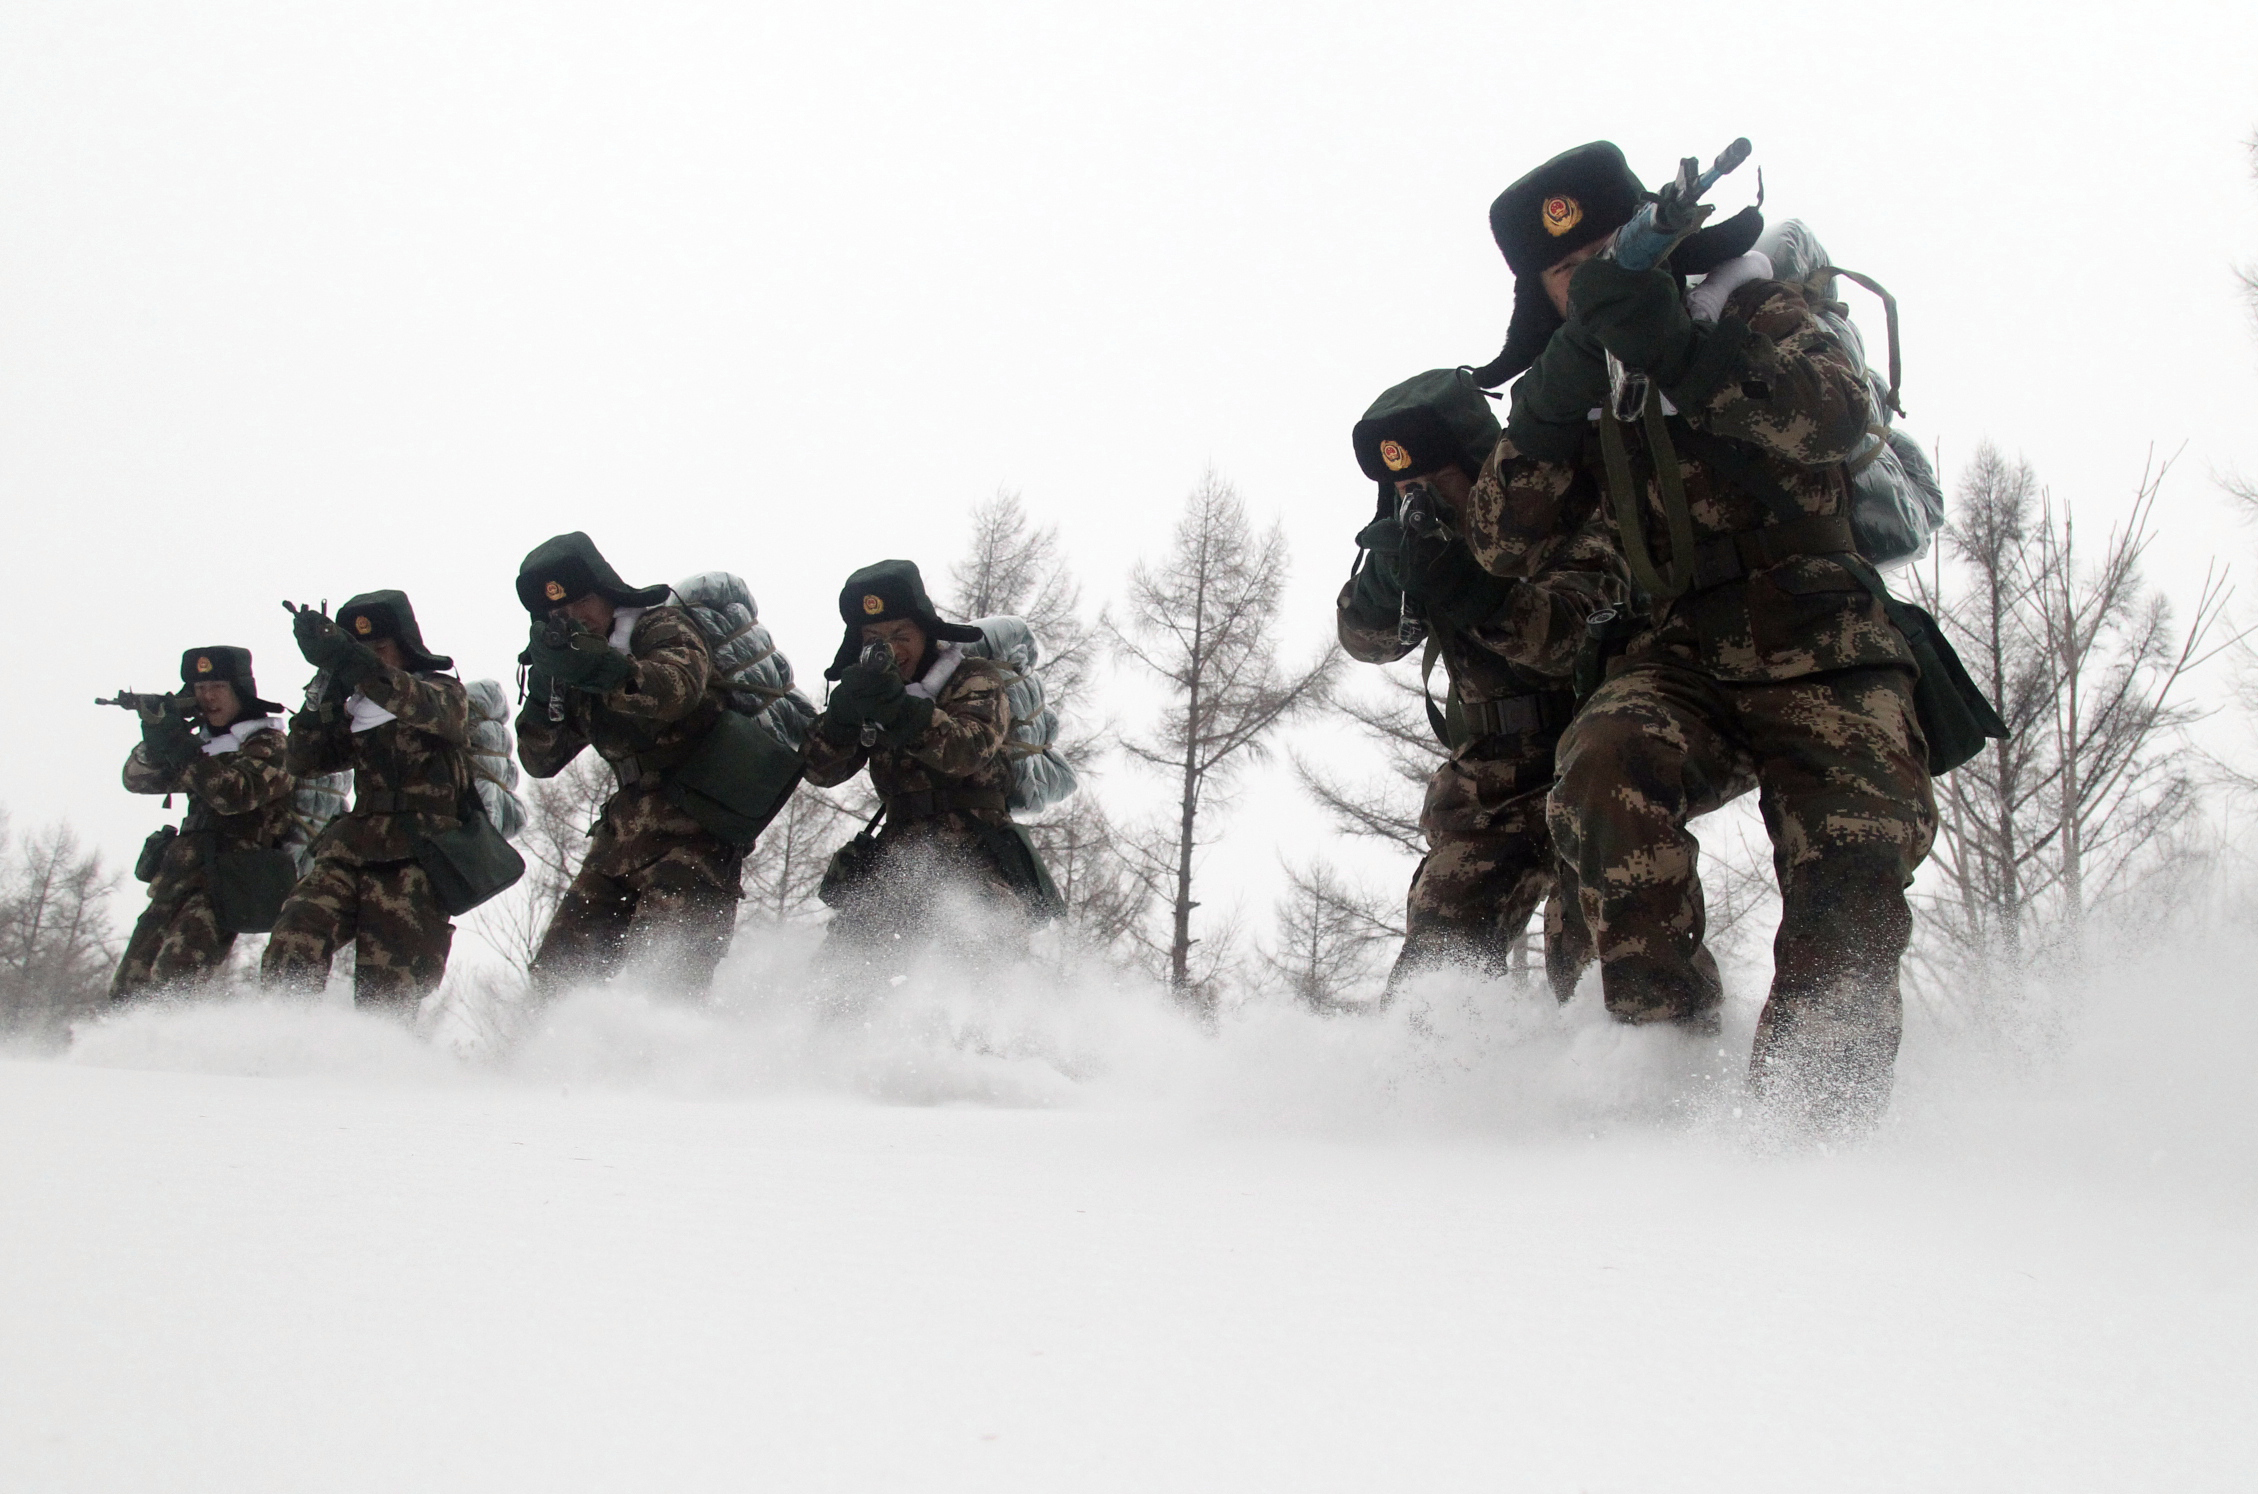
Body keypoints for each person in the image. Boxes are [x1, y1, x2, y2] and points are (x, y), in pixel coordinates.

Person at [1465, 141, 1936, 1129]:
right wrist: (1548, 406)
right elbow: (1502, 545)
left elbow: (1836, 420)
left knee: (1849, 865)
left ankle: (1810, 1130)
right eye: (1563, 271)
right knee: (1599, 765)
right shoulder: (1573, 378)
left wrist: (1684, 354)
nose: (1587, 279)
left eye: (1603, 251)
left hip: (1825, 639)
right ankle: (1657, 1067)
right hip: (1674, 650)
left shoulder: (1746, 305)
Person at [1337, 368, 1623, 999]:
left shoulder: (1567, 511)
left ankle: (1629, 1086)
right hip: (1492, 778)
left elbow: (1567, 640)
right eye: (1405, 488)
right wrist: (1386, 584)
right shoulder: (1419, 540)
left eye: (1437, 482)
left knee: (1597, 962)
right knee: (1438, 962)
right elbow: (1365, 642)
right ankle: (1437, 1092)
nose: (1422, 500)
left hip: (1598, 762)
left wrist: (1476, 590)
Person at [514, 532, 748, 998]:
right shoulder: (572, 668)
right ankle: (541, 1068)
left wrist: (601, 670)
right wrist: (545, 691)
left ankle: (678, 1072)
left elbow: (676, 686)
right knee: (557, 983)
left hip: (694, 836)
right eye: (557, 615)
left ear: (607, 593)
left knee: (663, 984)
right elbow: (540, 760)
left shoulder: (658, 626)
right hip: (619, 842)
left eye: (581, 603)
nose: (572, 619)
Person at [802, 560, 1054, 984]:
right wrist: (841, 719)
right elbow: (819, 770)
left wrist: (903, 712)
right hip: (897, 859)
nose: (890, 649)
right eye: (874, 638)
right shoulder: (868, 692)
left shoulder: (973, 679)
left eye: (901, 636)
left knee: (979, 988)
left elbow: (968, 749)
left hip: (977, 856)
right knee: (839, 984)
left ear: (926, 635)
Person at [261, 591, 474, 1014]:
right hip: (351, 851)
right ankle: (278, 1038)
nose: (370, 658)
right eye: (360, 650)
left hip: (417, 858)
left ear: (405, 644)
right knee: (296, 932)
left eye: (379, 649)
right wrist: (324, 688)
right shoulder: (356, 709)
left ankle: (380, 1073)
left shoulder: (441, 691)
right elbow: (304, 760)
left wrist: (354, 662)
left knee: (389, 997)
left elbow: (429, 710)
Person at [109, 647, 299, 999]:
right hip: (177, 877)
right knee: (129, 984)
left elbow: (232, 795)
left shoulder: (267, 742)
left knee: (174, 979)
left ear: (240, 688)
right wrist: (156, 739)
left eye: (217, 686)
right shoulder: (204, 744)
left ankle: (173, 1047)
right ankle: (120, 1047)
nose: (207, 697)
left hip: (228, 878)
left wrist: (182, 747)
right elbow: (137, 780)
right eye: (198, 688)